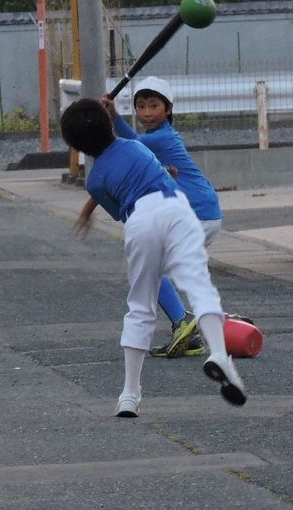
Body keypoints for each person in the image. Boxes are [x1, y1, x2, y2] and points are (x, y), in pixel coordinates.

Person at [61, 97, 246, 417]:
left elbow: (120, 212)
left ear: (76, 146)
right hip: (173, 208)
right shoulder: (137, 148)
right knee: (199, 286)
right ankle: (218, 353)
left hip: (140, 220)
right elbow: (162, 174)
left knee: (141, 305)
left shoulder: (94, 180)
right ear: (109, 124)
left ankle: (129, 395)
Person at [78, 77, 223, 358]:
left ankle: (184, 321)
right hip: (200, 212)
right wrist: (114, 117)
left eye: (154, 106)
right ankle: (189, 334)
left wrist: (112, 117)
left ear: (168, 109)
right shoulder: (154, 141)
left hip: (196, 212)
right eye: (141, 107)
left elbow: (130, 146)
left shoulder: (162, 137)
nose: (146, 113)